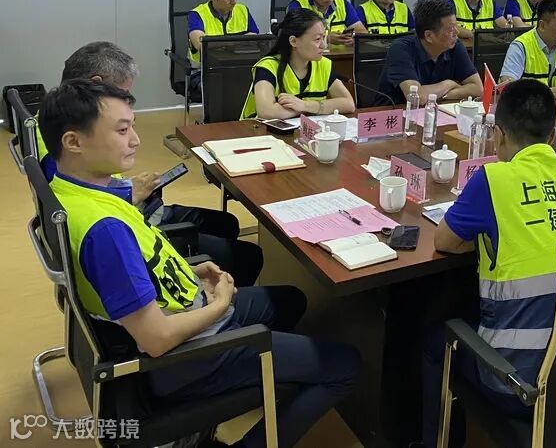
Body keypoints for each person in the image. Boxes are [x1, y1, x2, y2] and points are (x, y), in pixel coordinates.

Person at [39, 80, 361, 448]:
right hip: (186, 357)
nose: (136, 140)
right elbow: (157, 340)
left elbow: (135, 267)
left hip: (188, 308)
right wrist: (219, 305)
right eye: (122, 130)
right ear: (73, 142)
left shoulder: (75, 190)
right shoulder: (104, 231)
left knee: (291, 301)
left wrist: (190, 271)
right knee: (344, 366)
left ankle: (258, 383)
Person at [424, 79, 556, 446]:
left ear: (498, 135)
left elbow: (444, 241)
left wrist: (494, 238)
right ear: (553, 135)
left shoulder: (494, 179)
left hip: (518, 382)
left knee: (432, 339)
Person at [37, 42, 263, 287]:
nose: (135, 140)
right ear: (97, 84)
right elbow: (84, 204)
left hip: (128, 210)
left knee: (226, 223)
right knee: (247, 255)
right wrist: (128, 195)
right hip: (136, 225)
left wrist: (126, 188)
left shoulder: (55, 123)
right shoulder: (102, 224)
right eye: (121, 93)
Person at [241, 9, 355, 120]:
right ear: (294, 41)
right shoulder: (268, 67)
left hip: (301, 130)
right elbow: (266, 111)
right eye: (317, 39)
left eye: (324, 38)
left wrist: (305, 106)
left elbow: (348, 104)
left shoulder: (323, 64)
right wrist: (311, 108)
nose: (323, 45)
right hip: (254, 130)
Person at [377, 0, 483, 105]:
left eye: (456, 26)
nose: (457, 32)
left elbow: (478, 88)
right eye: (450, 29)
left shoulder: (454, 45)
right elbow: (417, 98)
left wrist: (443, 95)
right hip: (394, 112)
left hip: (437, 110)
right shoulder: (401, 49)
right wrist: (448, 84)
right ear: (428, 36)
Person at [188, 0, 259, 68]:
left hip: (239, 65)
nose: (234, 1)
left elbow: (255, 37)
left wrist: (218, 43)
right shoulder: (197, 14)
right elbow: (200, 44)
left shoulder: (242, 10)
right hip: (206, 69)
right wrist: (239, 40)